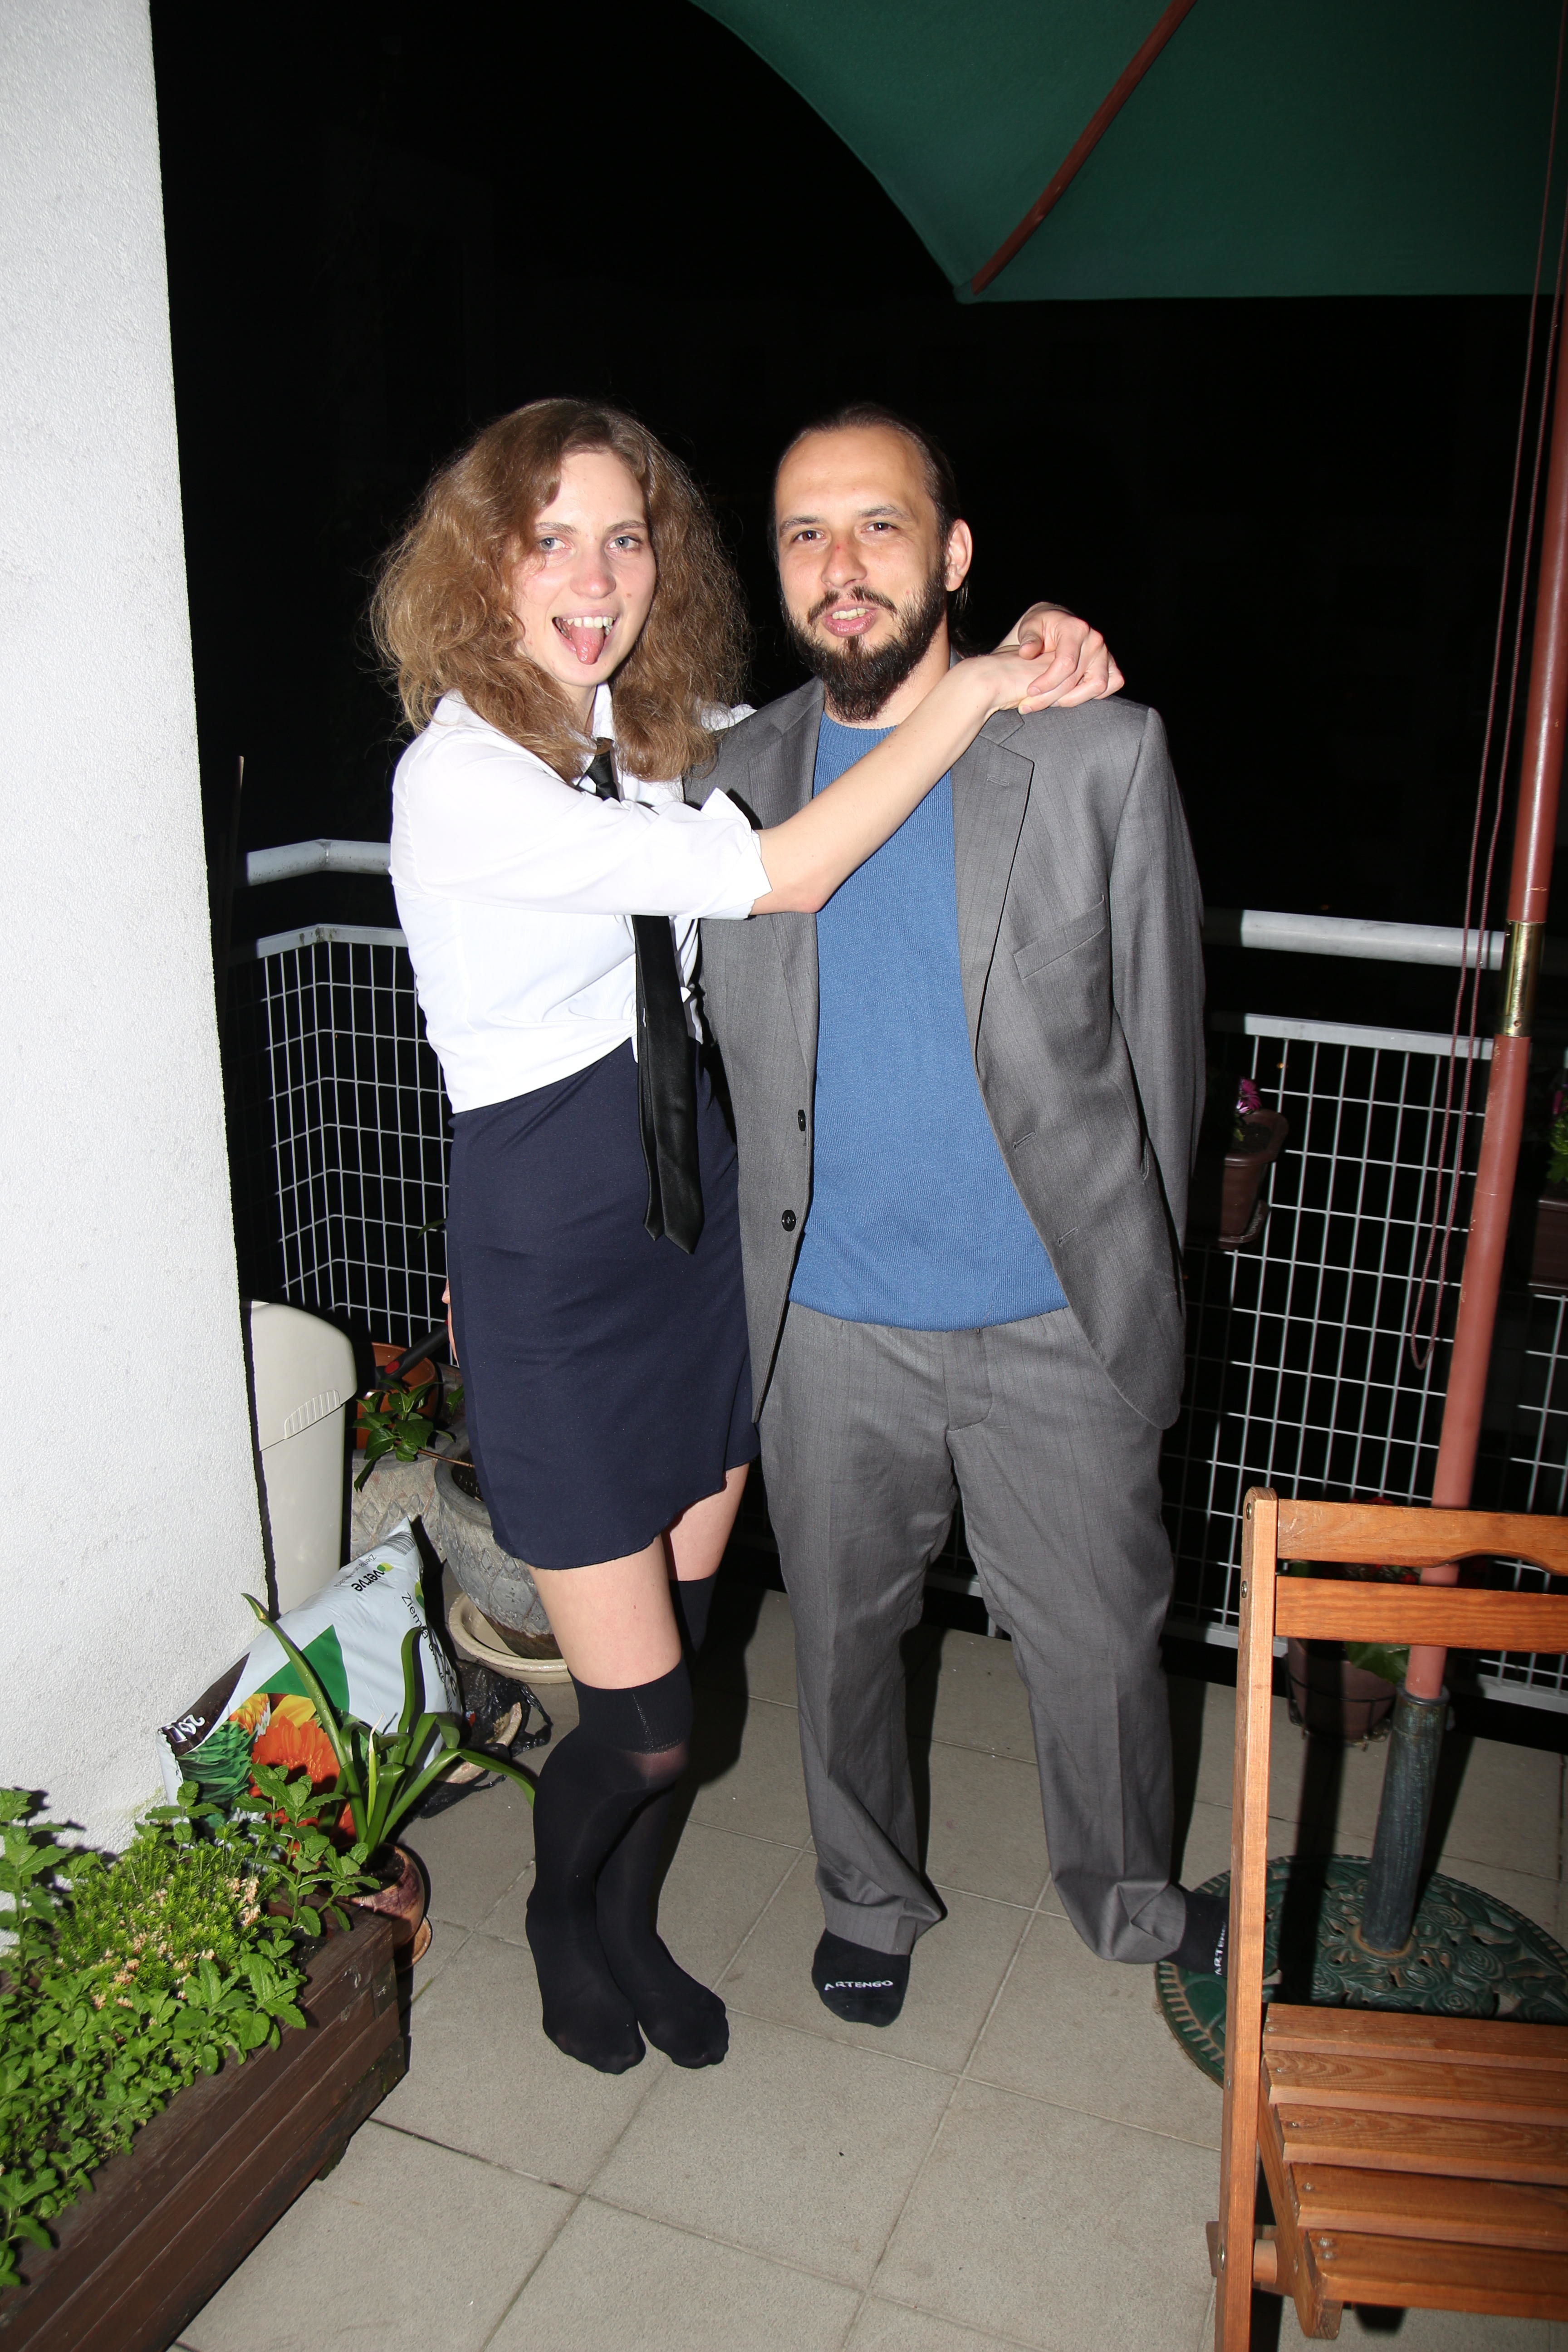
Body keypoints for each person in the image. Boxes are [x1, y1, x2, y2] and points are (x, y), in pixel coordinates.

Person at [373, 397, 1121, 2075]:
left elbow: (839, 711)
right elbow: (782, 875)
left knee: (690, 1655)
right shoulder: (463, 779)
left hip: (692, 1230)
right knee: (642, 1724)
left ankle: (632, 1925)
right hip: (555, 1263)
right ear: (481, 565)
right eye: (549, 541)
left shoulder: (648, 736)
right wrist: (984, 691)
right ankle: (564, 1919)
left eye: (625, 539)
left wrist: (1013, 640)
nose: (595, 577)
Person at [690, 403, 1226, 2029]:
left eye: (880, 523)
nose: (841, 564)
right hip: (828, 1324)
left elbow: (1166, 1051)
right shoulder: (728, 780)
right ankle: (866, 1896)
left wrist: (1138, 1280)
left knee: (1102, 1647)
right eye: (805, 531)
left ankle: (1130, 1897)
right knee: (842, 1645)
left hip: (1054, 1313)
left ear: (956, 552)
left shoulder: (1096, 753)